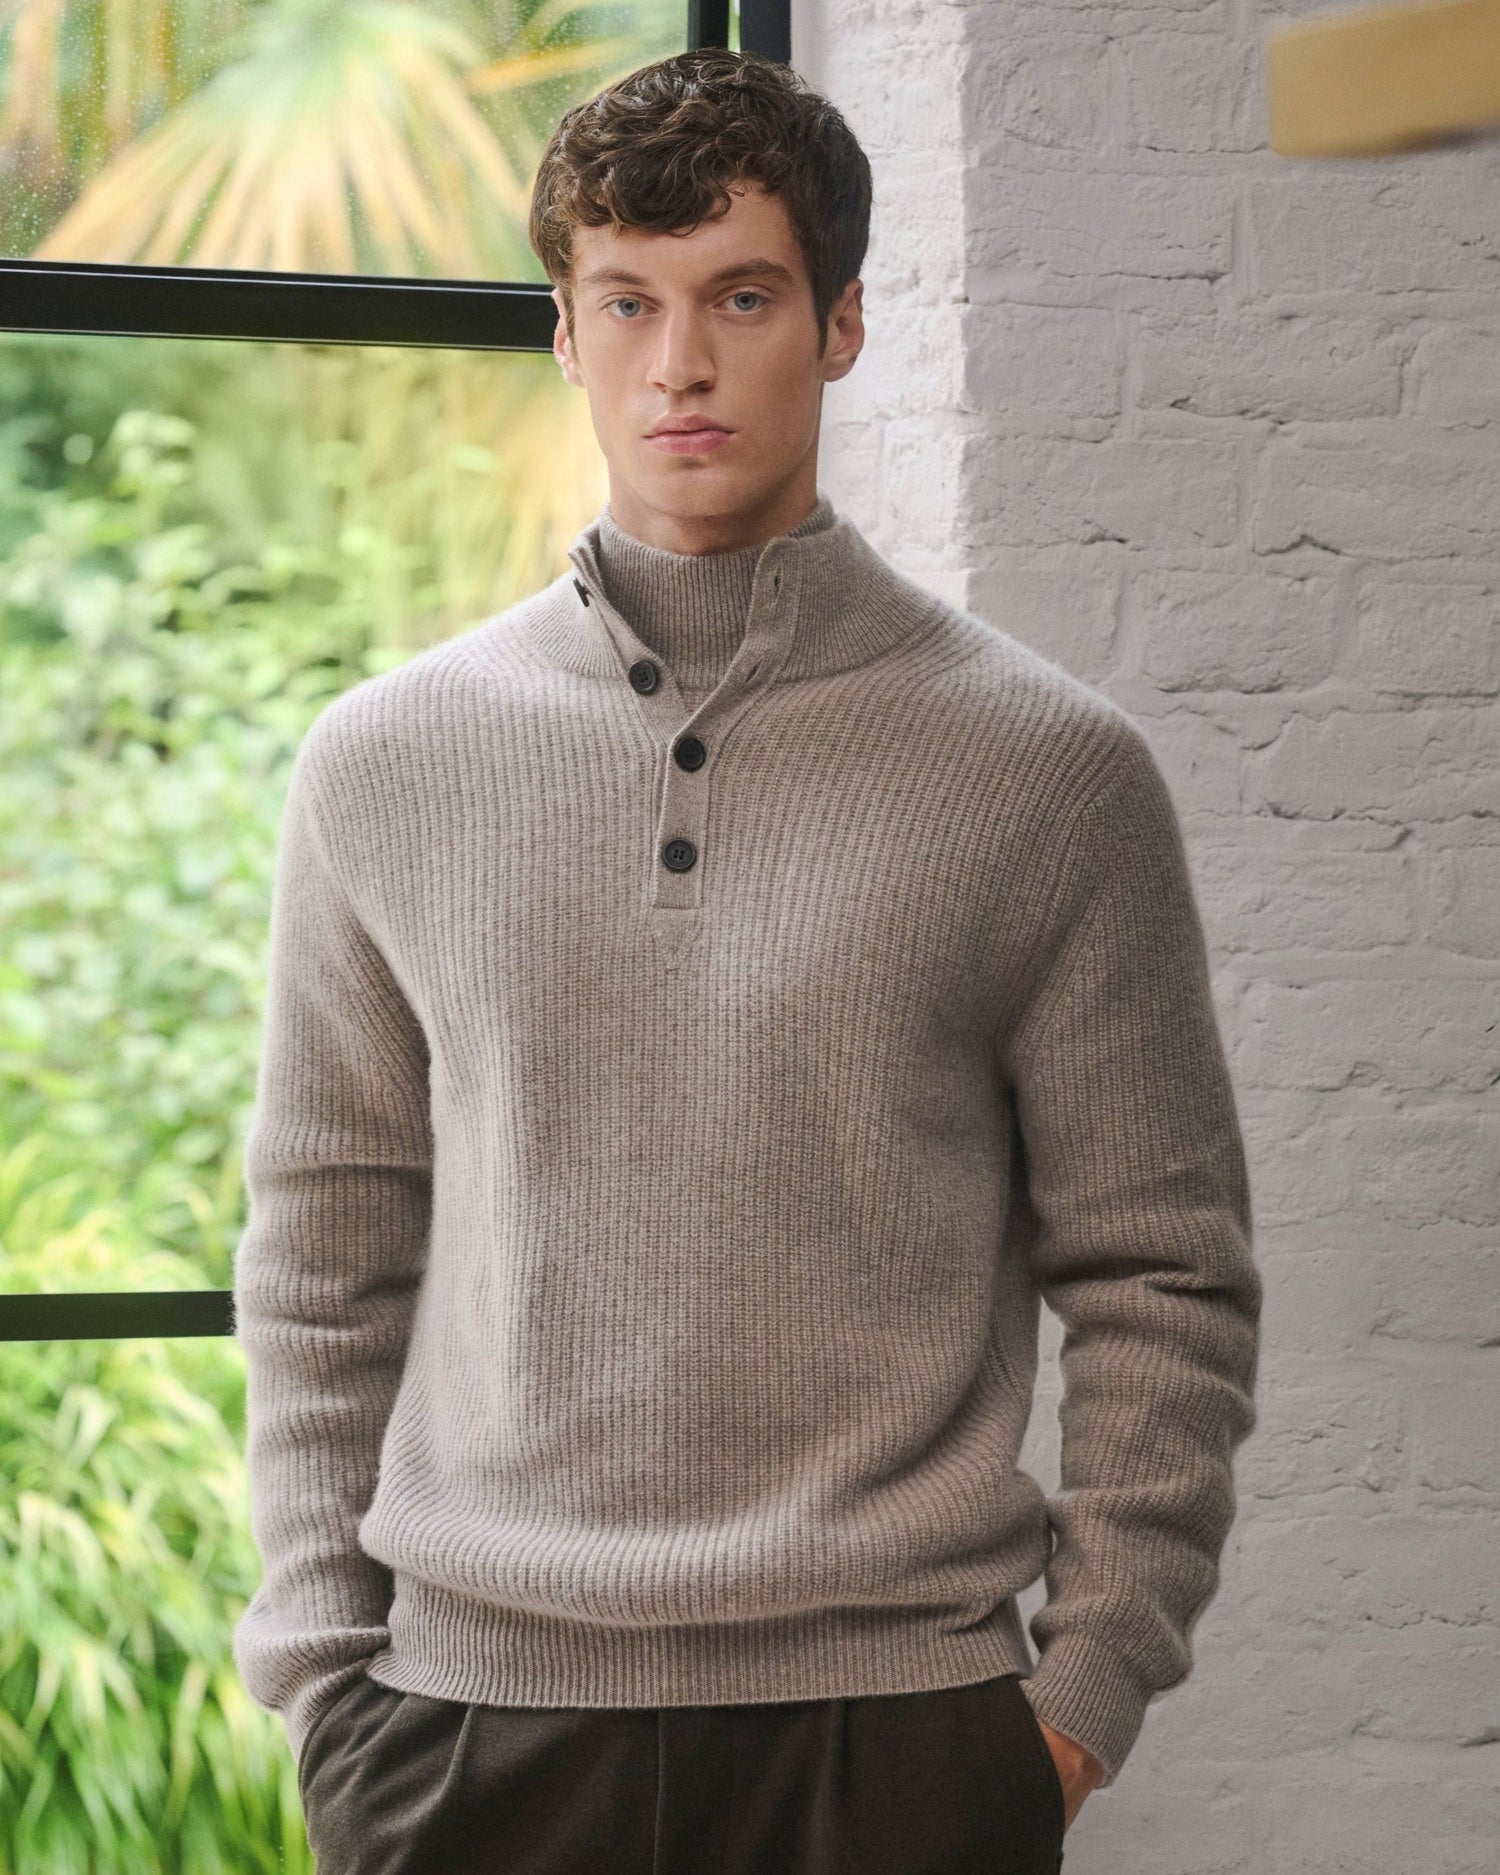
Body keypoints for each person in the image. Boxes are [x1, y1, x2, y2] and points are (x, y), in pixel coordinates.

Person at [232, 46, 1263, 1875]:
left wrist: (1079, 1703)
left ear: (845, 324)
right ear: (563, 334)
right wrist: (328, 1681)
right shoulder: (385, 762)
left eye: (741, 298)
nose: (679, 364)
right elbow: (325, 1247)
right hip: (466, 1733)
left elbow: (1164, 1273)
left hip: (895, 1745)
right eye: (623, 302)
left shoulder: (1047, 774)